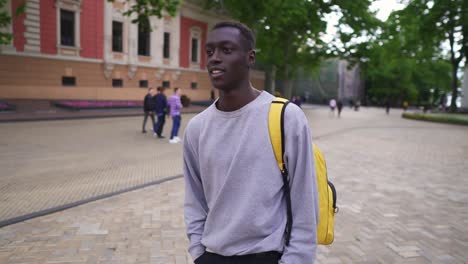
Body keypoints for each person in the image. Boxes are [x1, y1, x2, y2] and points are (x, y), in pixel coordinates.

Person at [183, 21, 319, 264]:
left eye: (226, 50)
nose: (214, 58)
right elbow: (195, 199)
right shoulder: (197, 128)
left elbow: (305, 202)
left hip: (269, 256)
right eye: (210, 51)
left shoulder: (285, 118)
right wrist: (198, 252)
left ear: (250, 57)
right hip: (212, 256)